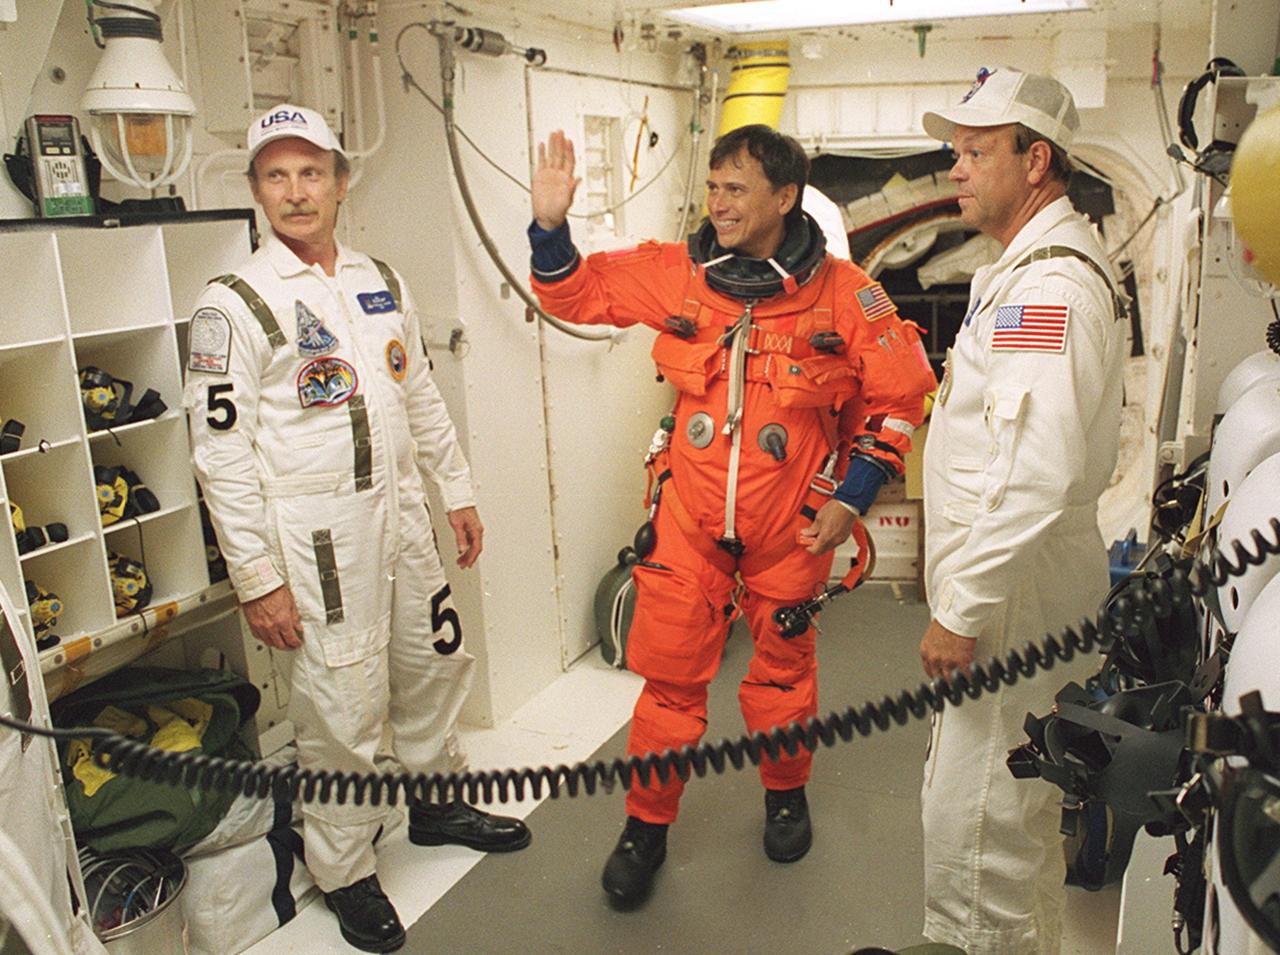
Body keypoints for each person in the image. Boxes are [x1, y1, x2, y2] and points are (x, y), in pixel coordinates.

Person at [527, 124, 936, 908]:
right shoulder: (679, 276)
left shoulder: (850, 297)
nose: (718, 204)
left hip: (793, 526)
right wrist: (551, 227)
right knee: (668, 687)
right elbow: (573, 293)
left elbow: (901, 398)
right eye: (713, 187)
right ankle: (645, 825)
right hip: (688, 524)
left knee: (782, 676)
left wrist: (848, 499)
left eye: (737, 189)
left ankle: (785, 794)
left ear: (785, 197)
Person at [184, 103, 530, 953]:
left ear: (342, 181)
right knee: (340, 707)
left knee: (434, 660)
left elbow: (416, 395)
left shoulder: (381, 279)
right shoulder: (233, 305)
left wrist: (455, 490)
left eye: (312, 173)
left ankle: (438, 802)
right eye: (277, 174)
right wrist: (258, 578)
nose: (296, 192)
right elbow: (219, 457)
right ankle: (343, 868)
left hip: (402, 512)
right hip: (318, 536)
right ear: (257, 189)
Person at [917, 67, 1128, 953]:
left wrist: (962, 611)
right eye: (954, 151)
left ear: (1036, 161)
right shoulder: (1031, 268)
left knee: (979, 835)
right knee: (1009, 813)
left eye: (976, 151)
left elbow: (1034, 471)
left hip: (1011, 598)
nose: (954, 169)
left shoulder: (1049, 290)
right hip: (1013, 584)